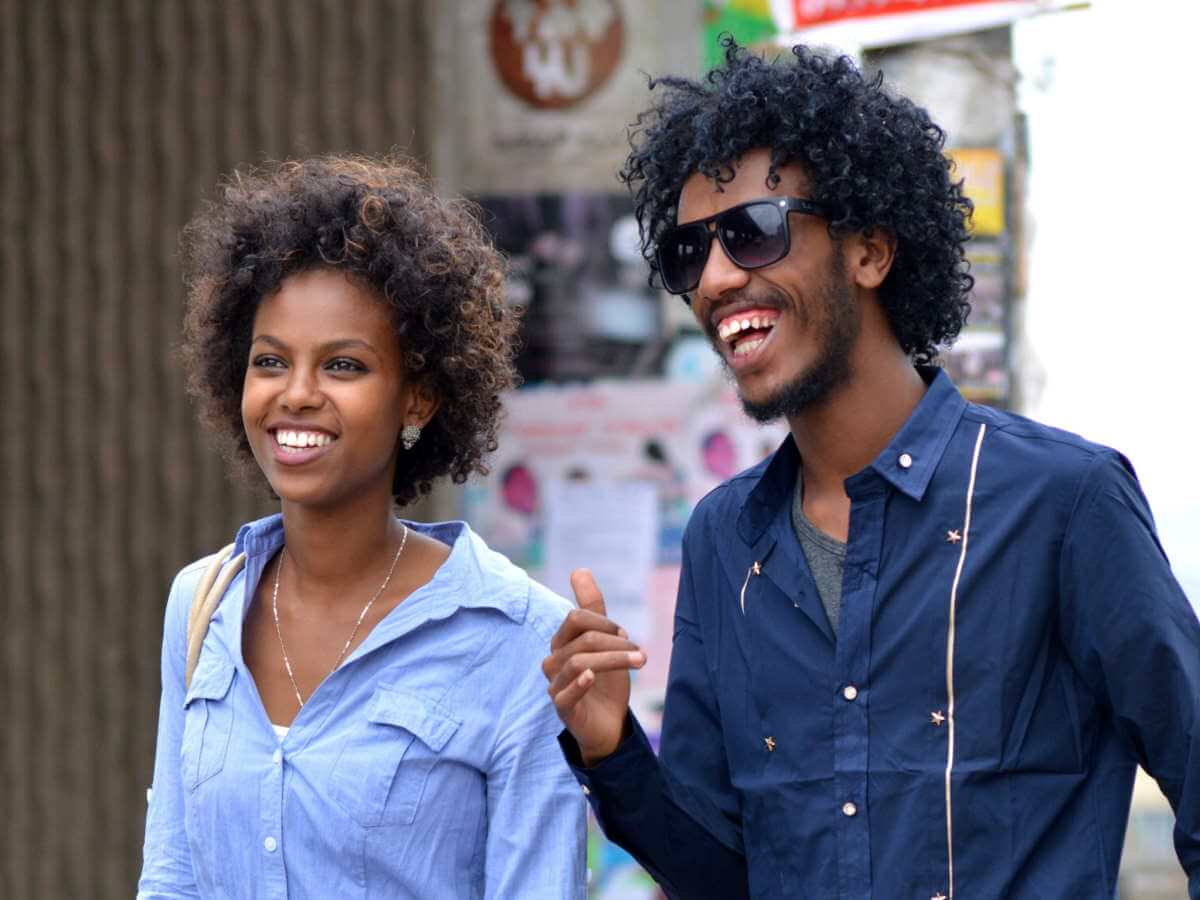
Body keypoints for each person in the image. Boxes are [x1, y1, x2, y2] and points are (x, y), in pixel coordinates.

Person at [543, 39, 1200, 899]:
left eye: (751, 232)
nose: (712, 279)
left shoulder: (1061, 504)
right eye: (687, 252)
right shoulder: (723, 541)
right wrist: (611, 749)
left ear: (870, 251)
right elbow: (721, 878)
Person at [138, 155, 586, 898]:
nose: (297, 394)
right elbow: (172, 877)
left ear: (419, 399)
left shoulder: (520, 641)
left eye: (343, 366)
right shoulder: (202, 606)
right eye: (271, 361)